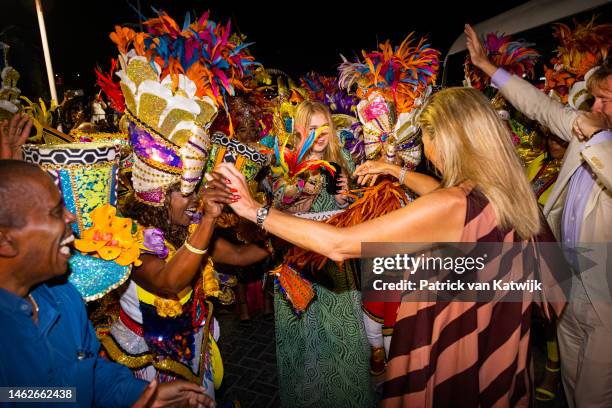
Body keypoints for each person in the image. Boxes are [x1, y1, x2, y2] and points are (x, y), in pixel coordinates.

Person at [215, 87, 564, 406]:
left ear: (447, 140)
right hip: (503, 357)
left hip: (456, 356)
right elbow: (558, 289)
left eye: (426, 139)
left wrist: (252, 210)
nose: (427, 151)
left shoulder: (453, 205)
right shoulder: (513, 198)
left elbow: (340, 245)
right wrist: (393, 171)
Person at [466, 23, 612, 407]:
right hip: (568, 287)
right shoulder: (590, 129)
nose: (596, 108)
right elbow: (540, 106)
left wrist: (597, 136)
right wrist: (486, 66)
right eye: (595, 99)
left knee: (595, 397)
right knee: (571, 388)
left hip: (606, 302)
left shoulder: (597, 137)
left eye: (607, 99)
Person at [0, 160, 214, 408]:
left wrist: (143, 395)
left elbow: (90, 378)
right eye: (56, 211)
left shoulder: (65, 297)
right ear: (4, 240)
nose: (70, 217)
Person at [267, 100, 372, 407]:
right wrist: (298, 193)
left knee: (346, 341)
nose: (320, 134)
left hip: (336, 271)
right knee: (305, 350)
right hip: (298, 271)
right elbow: (276, 216)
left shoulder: (343, 162)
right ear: (300, 132)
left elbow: (355, 214)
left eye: (324, 126)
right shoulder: (285, 167)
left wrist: (344, 199)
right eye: (312, 129)